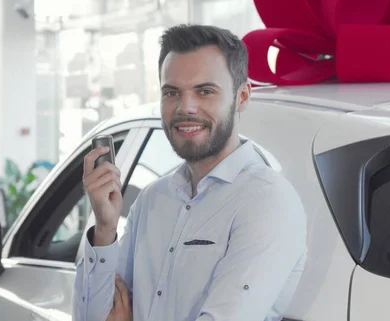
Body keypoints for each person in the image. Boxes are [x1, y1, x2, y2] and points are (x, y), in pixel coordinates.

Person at [73, 24, 308, 321]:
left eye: (205, 91)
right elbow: (89, 317)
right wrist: (105, 229)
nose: (186, 107)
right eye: (172, 92)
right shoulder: (151, 200)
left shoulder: (266, 201)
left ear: (243, 97)